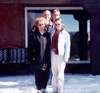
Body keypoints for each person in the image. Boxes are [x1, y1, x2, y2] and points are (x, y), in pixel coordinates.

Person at [29, 16, 51, 93]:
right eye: (40, 24)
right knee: (38, 76)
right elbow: (30, 48)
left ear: (45, 25)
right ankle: (38, 89)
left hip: (46, 59)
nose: (41, 26)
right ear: (37, 25)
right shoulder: (33, 35)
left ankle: (44, 89)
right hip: (37, 59)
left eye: (43, 24)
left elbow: (49, 47)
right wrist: (32, 58)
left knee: (46, 75)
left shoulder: (47, 35)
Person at [51, 18, 71, 93]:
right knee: (54, 74)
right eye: (55, 24)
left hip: (61, 56)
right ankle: (54, 90)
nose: (57, 25)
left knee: (60, 75)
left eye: (58, 24)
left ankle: (60, 90)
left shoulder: (66, 34)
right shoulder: (52, 33)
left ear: (62, 24)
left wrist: (66, 57)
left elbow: (68, 47)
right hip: (53, 55)